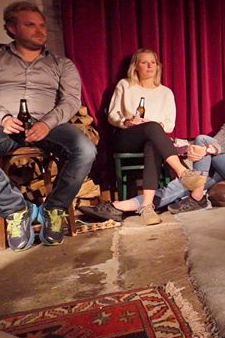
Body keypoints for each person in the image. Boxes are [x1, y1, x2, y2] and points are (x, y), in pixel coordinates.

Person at [0, 1, 98, 250]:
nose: (40, 30)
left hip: (49, 124)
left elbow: (71, 101)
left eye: (42, 25)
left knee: (85, 150)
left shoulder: (62, 64)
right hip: (2, 124)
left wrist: (47, 123)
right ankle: (16, 209)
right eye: (30, 25)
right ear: (11, 28)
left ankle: (54, 208)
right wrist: (3, 118)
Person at [82, 85, 225, 218]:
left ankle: (197, 197)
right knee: (177, 187)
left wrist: (205, 149)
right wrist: (199, 150)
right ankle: (121, 207)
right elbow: (219, 140)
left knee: (202, 139)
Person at [78, 48, 206, 225]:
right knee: (152, 130)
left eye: (153, 62)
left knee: (153, 140)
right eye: (144, 62)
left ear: (158, 66)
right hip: (128, 137)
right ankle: (183, 172)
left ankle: (146, 206)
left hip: (154, 139)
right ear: (136, 66)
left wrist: (155, 125)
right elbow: (112, 115)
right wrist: (127, 121)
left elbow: (170, 124)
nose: (149, 66)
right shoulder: (125, 85)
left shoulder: (166, 92)